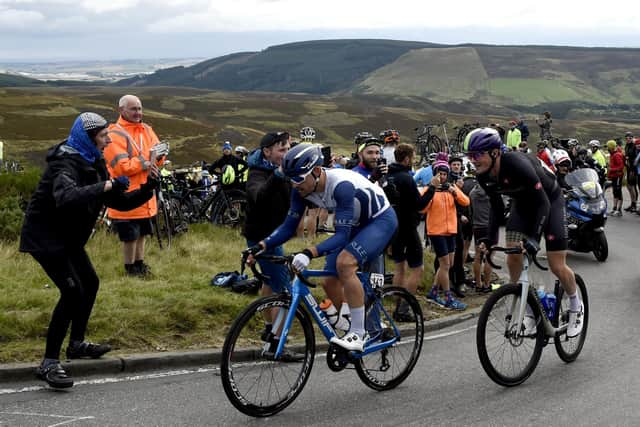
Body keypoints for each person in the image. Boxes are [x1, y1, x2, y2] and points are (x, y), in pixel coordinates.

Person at [20, 112, 158, 388]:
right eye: (104, 135)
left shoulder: (93, 161)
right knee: (72, 292)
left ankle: (76, 344)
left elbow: (120, 203)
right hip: (46, 239)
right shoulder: (64, 164)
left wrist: (148, 186)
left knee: (90, 283)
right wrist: (106, 184)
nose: (108, 140)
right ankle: (49, 362)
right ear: (89, 137)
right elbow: (65, 197)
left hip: (68, 239)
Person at [247, 143, 398, 352]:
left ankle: (359, 334)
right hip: (354, 223)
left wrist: (309, 253)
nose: (294, 185)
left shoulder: (341, 185)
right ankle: (347, 324)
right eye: (290, 180)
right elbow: (289, 226)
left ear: (316, 171)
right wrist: (262, 245)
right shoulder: (300, 189)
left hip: (379, 220)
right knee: (329, 281)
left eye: (298, 179)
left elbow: (342, 235)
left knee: (345, 263)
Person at [465, 128, 584, 338]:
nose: (473, 160)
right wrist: (488, 240)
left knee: (556, 265)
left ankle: (576, 304)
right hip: (522, 206)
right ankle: (529, 310)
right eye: (470, 156)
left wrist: (533, 239)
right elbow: (495, 208)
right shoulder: (483, 175)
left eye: (477, 155)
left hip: (550, 202)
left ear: (494, 153)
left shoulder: (516, 165)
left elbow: (543, 204)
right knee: (513, 257)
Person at [104, 95, 165, 277]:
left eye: (139, 108)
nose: (138, 112)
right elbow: (122, 168)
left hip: (145, 195)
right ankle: (129, 269)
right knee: (129, 237)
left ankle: (140, 264)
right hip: (127, 197)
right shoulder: (114, 134)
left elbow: (158, 157)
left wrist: (158, 157)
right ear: (121, 110)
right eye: (133, 109)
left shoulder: (147, 129)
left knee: (143, 233)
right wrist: (146, 161)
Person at [386, 143, 431, 319]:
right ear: (406, 159)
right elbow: (420, 204)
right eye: (412, 158)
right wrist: (432, 188)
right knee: (417, 268)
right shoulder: (406, 177)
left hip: (393, 226)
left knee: (399, 268)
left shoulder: (388, 175)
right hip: (407, 227)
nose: (413, 161)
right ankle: (404, 308)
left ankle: (398, 306)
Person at [420, 153, 469, 310]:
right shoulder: (429, 189)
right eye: (440, 174)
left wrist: (454, 191)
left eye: (444, 174)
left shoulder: (450, 188)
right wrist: (432, 189)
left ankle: (434, 291)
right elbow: (422, 207)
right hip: (436, 231)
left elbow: (466, 201)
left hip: (451, 230)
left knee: (450, 264)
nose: (442, 177)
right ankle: (448, 297)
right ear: (435, 174)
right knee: (445, 265)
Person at [469, 182, 494, 292]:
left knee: (478, 256)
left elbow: (470, 211)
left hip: (477, 226)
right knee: (489, 257)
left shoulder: (472, 193)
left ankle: (478, 284)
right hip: (489, 226)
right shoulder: (492, 193)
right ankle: (487, 285)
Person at [607, 139, 625, 217]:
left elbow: (621, 166)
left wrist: (612, 169)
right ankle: (614, 209)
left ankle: (619, 210)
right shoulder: (612, 154)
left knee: (618, 192)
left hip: (618, 176)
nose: (607, 149)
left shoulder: (616, 155)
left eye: (608, 147)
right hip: (614, 176)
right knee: (615, 192)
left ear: (611, 147)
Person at [623, 132, 638, 212]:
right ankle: (632, 203)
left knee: (632, 186)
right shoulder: (627, 145)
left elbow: (636, 158)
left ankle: (634, 205)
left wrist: (632, 169)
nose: (628, 139)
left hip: (633, 169)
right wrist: (625, 158)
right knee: (629, 186)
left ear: (632, 138)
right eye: (626, 138)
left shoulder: (634, 146)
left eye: (629, 138)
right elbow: (626, 155)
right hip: (628, 168)